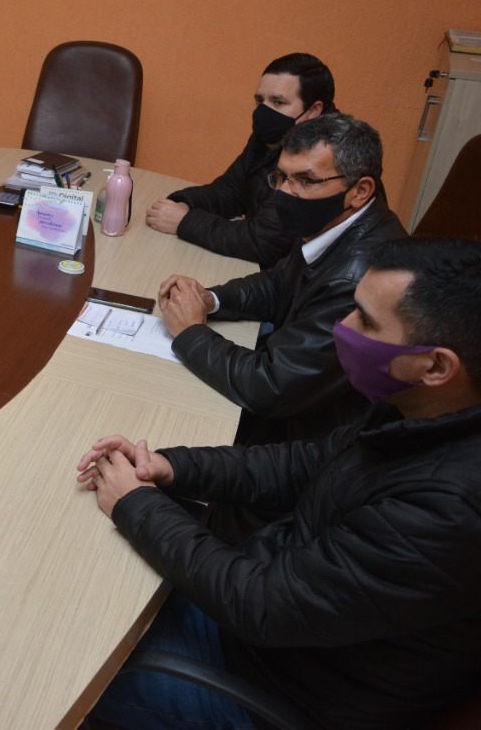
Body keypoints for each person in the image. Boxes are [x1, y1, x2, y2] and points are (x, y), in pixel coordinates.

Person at [75, 236, 481, 730]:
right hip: (276, 621)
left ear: (436, 366)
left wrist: (136, 503)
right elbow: (302, 463)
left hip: (274, 687)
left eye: (366, 321)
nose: (342, 327)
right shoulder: (421, 410)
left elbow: (260, 605)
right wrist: (170, 466)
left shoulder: (447, 511)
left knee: (61, 658)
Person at [157, 112, 405, 444]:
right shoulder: (337, 223)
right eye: (282, 177)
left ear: (359, 190)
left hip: (313, 441)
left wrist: (191, 333)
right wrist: (211, 299)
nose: (284, 193)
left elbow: (271, 385)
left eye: (305, 180)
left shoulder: (357, 282)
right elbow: (278, 283)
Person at [146, 53, 335, 268]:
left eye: (278, 102)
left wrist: (184, 221)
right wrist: (183, 202)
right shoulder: (274, 136)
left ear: (314, 111)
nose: (263, 111)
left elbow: (263, 242)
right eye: (259, 101)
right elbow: (231, 191)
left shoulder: (323, 159)